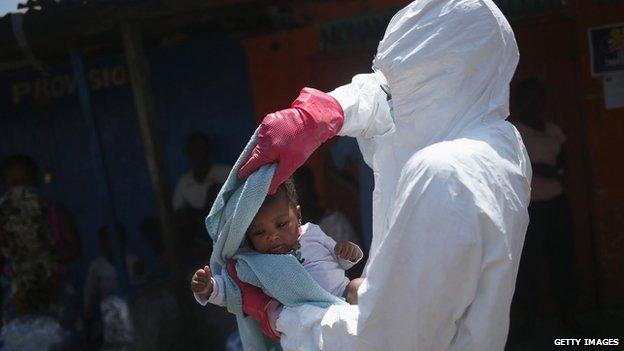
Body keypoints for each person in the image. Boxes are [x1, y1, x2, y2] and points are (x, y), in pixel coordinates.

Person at [231, 0, 532, 350]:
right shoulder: (500, 144)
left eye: (395, 83)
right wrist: (321, 113)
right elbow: (385, 106)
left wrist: (282, 318)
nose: (384, 94)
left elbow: (380, 341)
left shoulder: (443, 175)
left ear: (429, 78)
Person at [191, 179, 364, 308]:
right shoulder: (256, 262)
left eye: (281, 225)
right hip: (305, 313)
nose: (273, 237)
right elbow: (232, 290)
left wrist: (348, 251)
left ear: (298, 216)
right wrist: (209, 288)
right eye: (259, 232)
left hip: (342, 294)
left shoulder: (313, 232)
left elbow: (341, 262)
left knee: (360, 286)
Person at [511, 78, 577, 334]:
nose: (533, 103)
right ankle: (529, 320)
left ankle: (567, 314)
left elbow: (564, 163)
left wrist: (555, 171)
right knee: (529, 264)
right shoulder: (515, 131)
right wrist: (539, 169)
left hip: (557, 204)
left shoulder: (553, 129)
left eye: (537, 97)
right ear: (519, 102)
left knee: (562, 260)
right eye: (527, 98)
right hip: (530, 208)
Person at [0, 154, 82, 347]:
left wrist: (44, 257)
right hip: (18, 294)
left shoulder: (55, 211)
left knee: (58, 339)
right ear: (5, 186)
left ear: (35, 181)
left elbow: (76, 248)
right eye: (13, 182)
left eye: (24, 180)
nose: (19, 187)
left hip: (55, 289)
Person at [173, 132, 231, 247]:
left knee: (215, 190)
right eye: (194, 149)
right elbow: (178, 211)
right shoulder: (184, 181)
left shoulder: (224, 172)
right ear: (188, 153)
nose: (198, 152)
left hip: (223, 225)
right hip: (198, 229)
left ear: (208, 149)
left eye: (201, 148)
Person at [294, 166, 361, 246]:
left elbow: (352, 256)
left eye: (298, 188)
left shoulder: (334, 223)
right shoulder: (285, 226)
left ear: (309, 188)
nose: (294, 195)